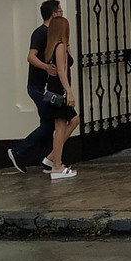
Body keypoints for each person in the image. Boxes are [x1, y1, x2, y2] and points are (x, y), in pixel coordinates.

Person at [7, 0, 61, 173]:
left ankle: (47, 161)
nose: (61, 13)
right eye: (59, 11)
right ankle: (19, 151)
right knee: (49, 123)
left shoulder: (52, 34)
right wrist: (46, 68)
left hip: (45, 86)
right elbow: (31, 57)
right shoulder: (40, 33)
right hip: (37, 87)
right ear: (53, 14)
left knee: (47, 121)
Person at [44, 14, 81, 180]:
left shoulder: (58, 46)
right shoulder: (59, 47)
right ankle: (57, 166)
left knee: (74, 120)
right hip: (59, 90)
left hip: (58, 88)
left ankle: (53, 157)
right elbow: (61, 71)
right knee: (60, 127)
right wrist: (69, 92)